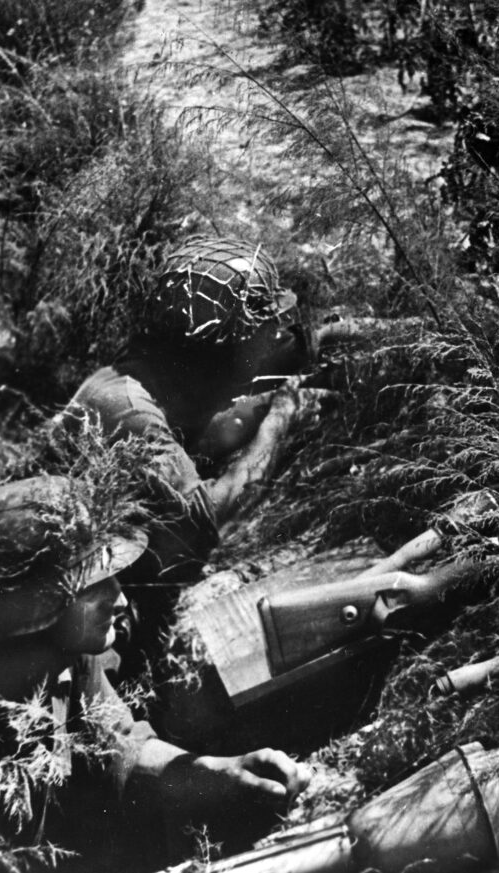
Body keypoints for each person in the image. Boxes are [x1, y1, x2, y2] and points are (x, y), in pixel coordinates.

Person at [0, 475, 309, 872]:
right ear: (33, 609)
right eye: (93, 586)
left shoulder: (64, 654)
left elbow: (116, 744)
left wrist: (219, 772)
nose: (119, 598)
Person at [57, 237, 315, 672]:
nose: (275, 336)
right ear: (224, 344)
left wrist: (253, 415)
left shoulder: (145, 375)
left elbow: (202, 433)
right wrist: (279, 421)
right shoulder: (130, 408)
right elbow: (207, 516)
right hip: (73, 630)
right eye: (264, 329)